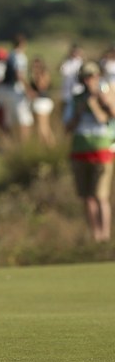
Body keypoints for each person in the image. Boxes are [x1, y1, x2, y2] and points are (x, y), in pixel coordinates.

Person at [63, 62, 113, 242]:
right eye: (86, 77)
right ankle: (95, 237)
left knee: (102, 196)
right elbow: (67, 127)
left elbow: (110, 116)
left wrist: (102, 102)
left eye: (92, 76)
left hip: (102, 150)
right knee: (87, 197)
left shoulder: (107, 94)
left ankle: (105, 236)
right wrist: (80, 110)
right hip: (80, 150)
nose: (89, 81)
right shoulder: (75, 99)